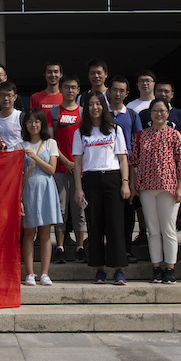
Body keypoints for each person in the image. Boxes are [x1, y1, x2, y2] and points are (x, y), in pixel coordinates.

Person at [73, 91, 130, 285]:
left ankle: (118, 269)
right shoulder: (81, 132)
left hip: (113, 178)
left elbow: (123, 159)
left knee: (115, 225)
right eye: (91, 104)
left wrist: (125, 182)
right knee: (95, 225)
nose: (94, 108)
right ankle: (99, 269)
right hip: (91, 180)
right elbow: (78, 163)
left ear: (104, 107)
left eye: (98, 104)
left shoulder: (114, 129)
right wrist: (79, 188)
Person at [129, 99, 181, 284]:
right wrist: (133, 187)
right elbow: (133, 161)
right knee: (153, 230)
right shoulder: (142, 135)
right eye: (155, 110)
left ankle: (170, 268)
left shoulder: (174, 135)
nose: (159, 114)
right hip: (147, 188)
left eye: (162, 110)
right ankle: (156, 267)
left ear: (168, 113)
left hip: (168, 188)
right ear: (150, 113)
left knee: (168, 229)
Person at [20, 109, 63, 287]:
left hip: (46, 188)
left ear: (42, 123)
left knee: (45, 234)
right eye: (30, 122)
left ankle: (45, 273)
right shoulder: (20, 145)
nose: (33, 125)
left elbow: (51, 170)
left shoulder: (50, 143)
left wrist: (35, 157)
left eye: (37, 121)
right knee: (29, 233)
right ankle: (30, 273)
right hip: (28, 189)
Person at [48, 75, 87, 264]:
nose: (70, 90)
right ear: (61, 89)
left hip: (81, 170)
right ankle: (60, 248)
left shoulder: (84, 113)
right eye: (67, 87)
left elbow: (88, 141)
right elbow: (51, 141)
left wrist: (77, 164)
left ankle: (80, 247)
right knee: (61, 210)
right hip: (60, 168)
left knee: (79, 209)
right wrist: (66, 161)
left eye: (73, 87)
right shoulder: (54, 112)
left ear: (78, 90)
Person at [108, 74, 144, 259]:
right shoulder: (101, 113)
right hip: (106, 168)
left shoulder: (131, 115)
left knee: (127, 211)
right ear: (109, 91)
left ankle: (126, 248)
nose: (117, 94)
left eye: (121, 91)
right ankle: (110, 248)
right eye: (115, 90)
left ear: (127, 93)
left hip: (127, 168)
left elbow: (138, 143)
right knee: (108, 211)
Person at [0, 82, 25, 150]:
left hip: (18, 155)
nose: (6, 98)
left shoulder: (21, 117)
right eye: (2, 95)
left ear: (15, 97)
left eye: (9, 95)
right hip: (0, 155)